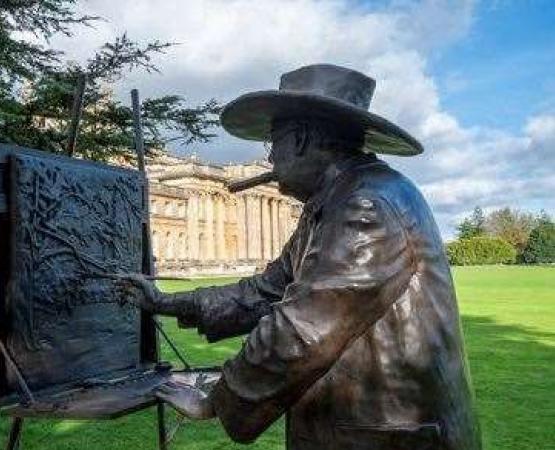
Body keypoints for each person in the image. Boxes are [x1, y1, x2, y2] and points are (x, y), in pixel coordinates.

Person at [119, 64, 482, 450]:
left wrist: (218, 399)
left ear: (302, 139)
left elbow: (302, 328)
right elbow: (264, 292)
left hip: (389, 438)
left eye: (273, 143)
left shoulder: (365, 205)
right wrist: (164, 302)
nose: (271, 159)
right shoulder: (332, 203)